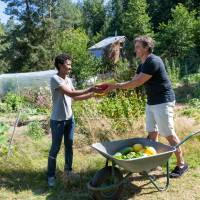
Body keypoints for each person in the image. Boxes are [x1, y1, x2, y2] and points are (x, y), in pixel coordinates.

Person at [99, 36, 188, 178]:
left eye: (138, 47)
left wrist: (114, 86)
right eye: (136, 47)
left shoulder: (153, 61)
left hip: (163, 101)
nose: (135, 50)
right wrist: (114, 85)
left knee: (168, 134)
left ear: (147, 48)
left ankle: (181, 164)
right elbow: (133, 81)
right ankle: (153, 163)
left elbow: (137, 83)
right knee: (152, 133)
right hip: (152, 102)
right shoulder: (142, 64)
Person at [47, 53, 103, 187]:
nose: (70, 67)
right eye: (68, 64)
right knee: (55, 148)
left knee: (69, 145)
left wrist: (93, 94)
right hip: (58, 120)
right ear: (60, 65)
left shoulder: (68, 79)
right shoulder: (55, 79)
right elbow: (71, 93)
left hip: (69, 119)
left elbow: (75, 97)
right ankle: (51, 176)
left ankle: (68, 171)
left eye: (71, 65)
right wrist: (91, 88)